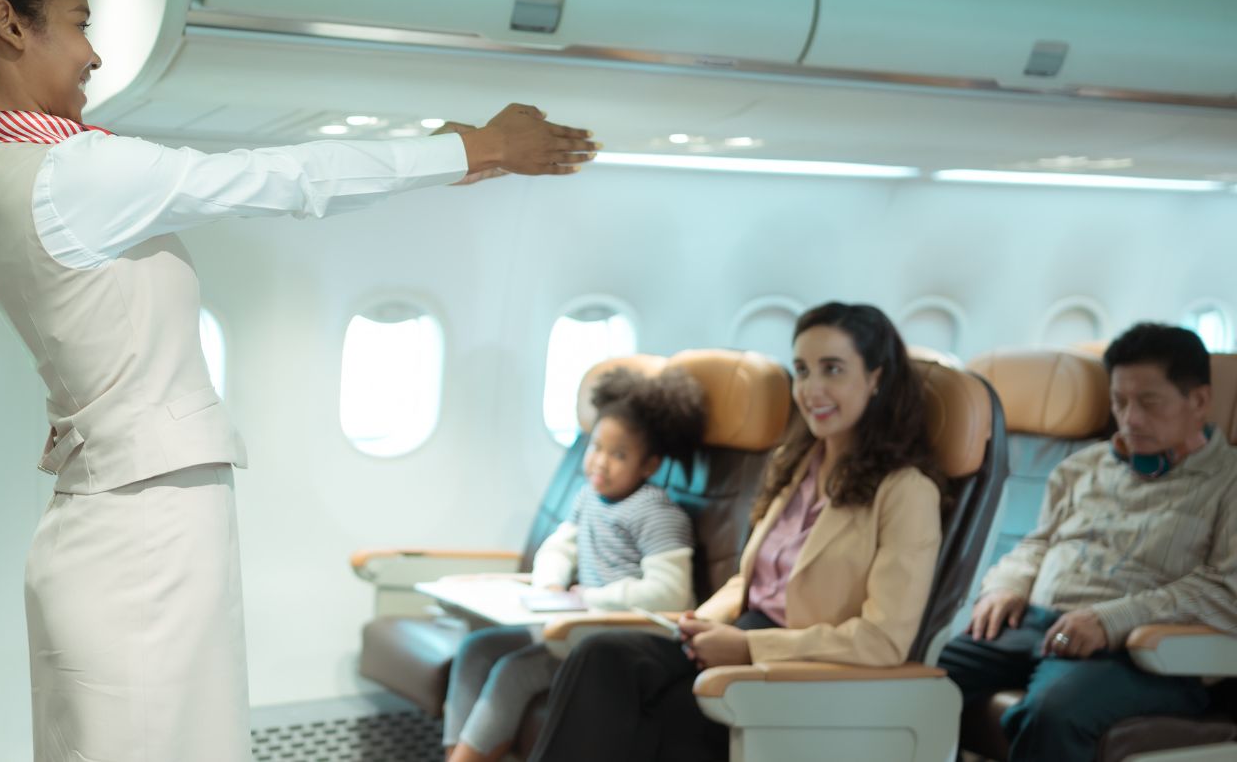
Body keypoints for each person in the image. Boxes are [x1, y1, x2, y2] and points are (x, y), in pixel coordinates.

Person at [0, 0, 598, 762]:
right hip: (143, 541)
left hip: (121, 529)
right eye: (79, 24)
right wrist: (480, 146)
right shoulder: (70, 173)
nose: (93, 54)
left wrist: (454, 153)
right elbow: (282, 178)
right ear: (8, 23)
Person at [527, 302, 944, 762]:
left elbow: (882, 640)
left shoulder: (906, 492)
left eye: (833, 369)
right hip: (736, 638)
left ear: (876, 378)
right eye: (802, 370)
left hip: (803, 671)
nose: (812, 389)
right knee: (600, 657)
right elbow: (753, 581)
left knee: (660, 716)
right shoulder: (799, 465)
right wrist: (701, 622)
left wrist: (748, 647)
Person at [938, 322, 1237, 762]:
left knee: (1052, 712)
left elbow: (1225, 590)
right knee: (923, 676)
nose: (1130, 418)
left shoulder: (1228, 482)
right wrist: (1007, 586)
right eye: (1120, 402)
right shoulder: (1083, 467)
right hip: (1035, 625)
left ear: (1199, 401)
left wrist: (1110, 620)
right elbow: (1038, 543)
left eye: (1149, 403)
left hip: (1143, 652)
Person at [444, 367, 705, 762]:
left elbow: (671, 592)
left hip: (615, 636)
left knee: (512, 673)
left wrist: (595, 598)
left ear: (649, 465)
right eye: (596, 447)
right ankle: (452, 754)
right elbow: (560, 547)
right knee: (477, 649)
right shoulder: (590, 498)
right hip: (576, 625)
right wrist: (549, 586)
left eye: (619, 455)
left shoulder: (657, 513)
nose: (601, 462)